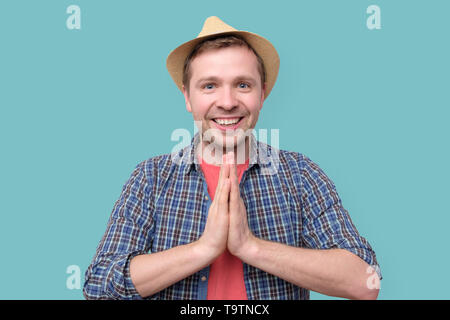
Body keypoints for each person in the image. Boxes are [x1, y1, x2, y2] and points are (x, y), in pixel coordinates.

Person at [83, 16, 382, 300]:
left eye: (242, 85)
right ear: (187, 96)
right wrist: (203, 249)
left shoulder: (300, 175)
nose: (227, 103)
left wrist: (250, 247)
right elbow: (98, 285)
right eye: (209, 86)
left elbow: (365, 282)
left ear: (262, 94)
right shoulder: (151, 177)